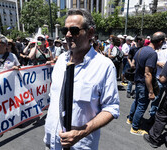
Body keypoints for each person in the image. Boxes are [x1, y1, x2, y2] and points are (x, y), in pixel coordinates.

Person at [44, 8, 120, 150]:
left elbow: (111, 108)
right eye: (64, 30)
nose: (67, 35)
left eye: (74, 30)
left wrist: (81, 132)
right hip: (51, 142)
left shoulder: (104, 66)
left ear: (90, 32)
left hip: (80, 146)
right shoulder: (61, 61)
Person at [126, 31, 165, 135]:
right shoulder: (152, 53)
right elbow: (148, 74)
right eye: (163, 42)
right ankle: (135, 128)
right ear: (160, 42)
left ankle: (130, 119)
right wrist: (151, 92)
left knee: (137, 102)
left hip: (138, 81)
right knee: (142, 106)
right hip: (144, 84)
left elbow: (133, 64)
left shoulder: (141, 49)